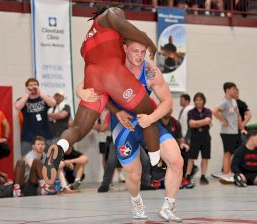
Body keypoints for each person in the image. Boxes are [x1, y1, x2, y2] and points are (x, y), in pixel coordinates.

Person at [43, 7, 166, 186]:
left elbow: (104, 90)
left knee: (78, 128)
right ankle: (156, 164)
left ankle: (60, 147)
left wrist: (115, 111)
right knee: (149, 116)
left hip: (93, 78)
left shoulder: (84, 44)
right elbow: (120, 23)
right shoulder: (112, 13)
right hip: (114, 75)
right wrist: (149, 42)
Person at [78, 39, 183, 222]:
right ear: (125, 49)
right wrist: (82, 93)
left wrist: (152, 117)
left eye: (143, 52)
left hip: (147, 121)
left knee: (177, 160)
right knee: (134, 175)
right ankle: (136, 201)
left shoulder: (150, 72)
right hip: (123, 126)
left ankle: (168, 206)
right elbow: (84, 84)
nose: (139, 56)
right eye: (135, 51)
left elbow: (167, 102)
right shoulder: (113, 65)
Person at [15, 78, 56, 157]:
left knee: (50, 161)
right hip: (28, 137)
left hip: (46, 135)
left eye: (35, 85)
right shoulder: (23, 99)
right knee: (27, 161)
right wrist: (27, 94)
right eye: (30, 85)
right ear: (26, 87)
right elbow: (17, 106)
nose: (33, 86)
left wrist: (39, 92)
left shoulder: (44, 98)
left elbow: (53, 103)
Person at [212, 82, 245, 182]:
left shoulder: (233, 101)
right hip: (227, 132)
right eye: (233, 89)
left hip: (234, 131)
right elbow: (214, 111)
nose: (235, 90)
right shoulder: (224, 102)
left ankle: (229, 171)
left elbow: (238, 116)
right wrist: (223, 120)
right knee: (228, 153)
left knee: (232, 153)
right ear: (227, 90)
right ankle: (226, 174)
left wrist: (241, 128)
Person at [186, 92, 212, 185]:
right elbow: (191, 124)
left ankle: (203, 176)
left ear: (203, 101)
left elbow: (208, 120)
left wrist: (197, 123)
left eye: (200, 99)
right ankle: (188, 176)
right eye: (197, 100)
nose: (198, 101)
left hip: (205, 137)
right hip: (194, 137)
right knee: (191, 157)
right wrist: (203, 122)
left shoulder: (208, 111)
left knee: (205, 157)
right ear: (194, 101)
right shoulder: (191, 112)